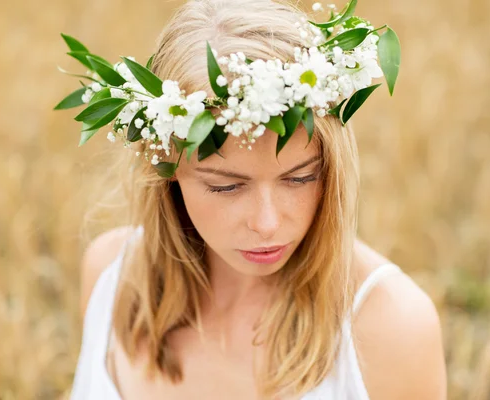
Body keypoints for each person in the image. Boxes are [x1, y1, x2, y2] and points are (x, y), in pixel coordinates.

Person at [66, 0, 447, 398]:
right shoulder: (112, 277)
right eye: (226, 186)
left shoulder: (390, 326)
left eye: (300, 178)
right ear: (166, 169)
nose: (266, 223)